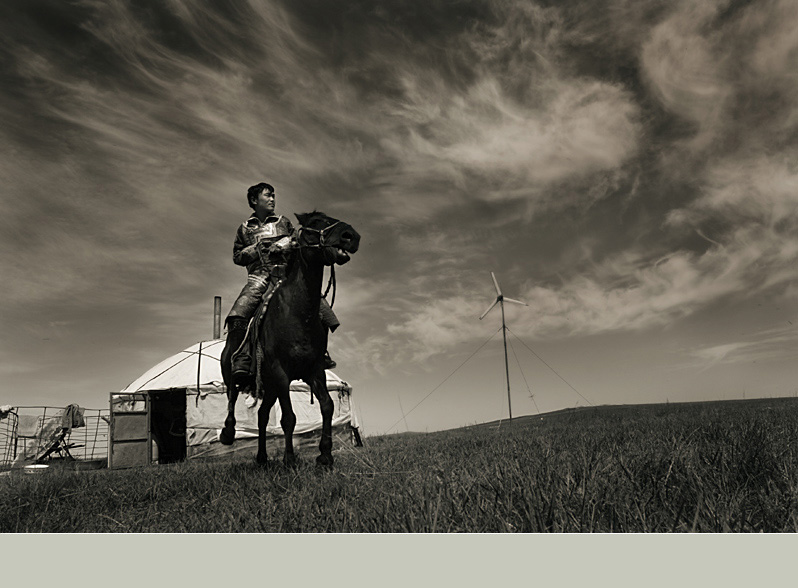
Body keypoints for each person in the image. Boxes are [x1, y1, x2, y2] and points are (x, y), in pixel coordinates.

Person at [223, 182, 338, 390]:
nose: (272, 199)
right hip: (258, 278)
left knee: (322, 310)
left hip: (286, 276)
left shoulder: (283, 222)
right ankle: (243, 356)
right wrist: (257, 248)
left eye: (274, 196)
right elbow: (237, 257)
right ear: (254, 200)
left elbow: (299, 242)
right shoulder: (244, 228)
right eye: (268, 196)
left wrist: (286, 244)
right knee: (238, 316)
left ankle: (320, 353)